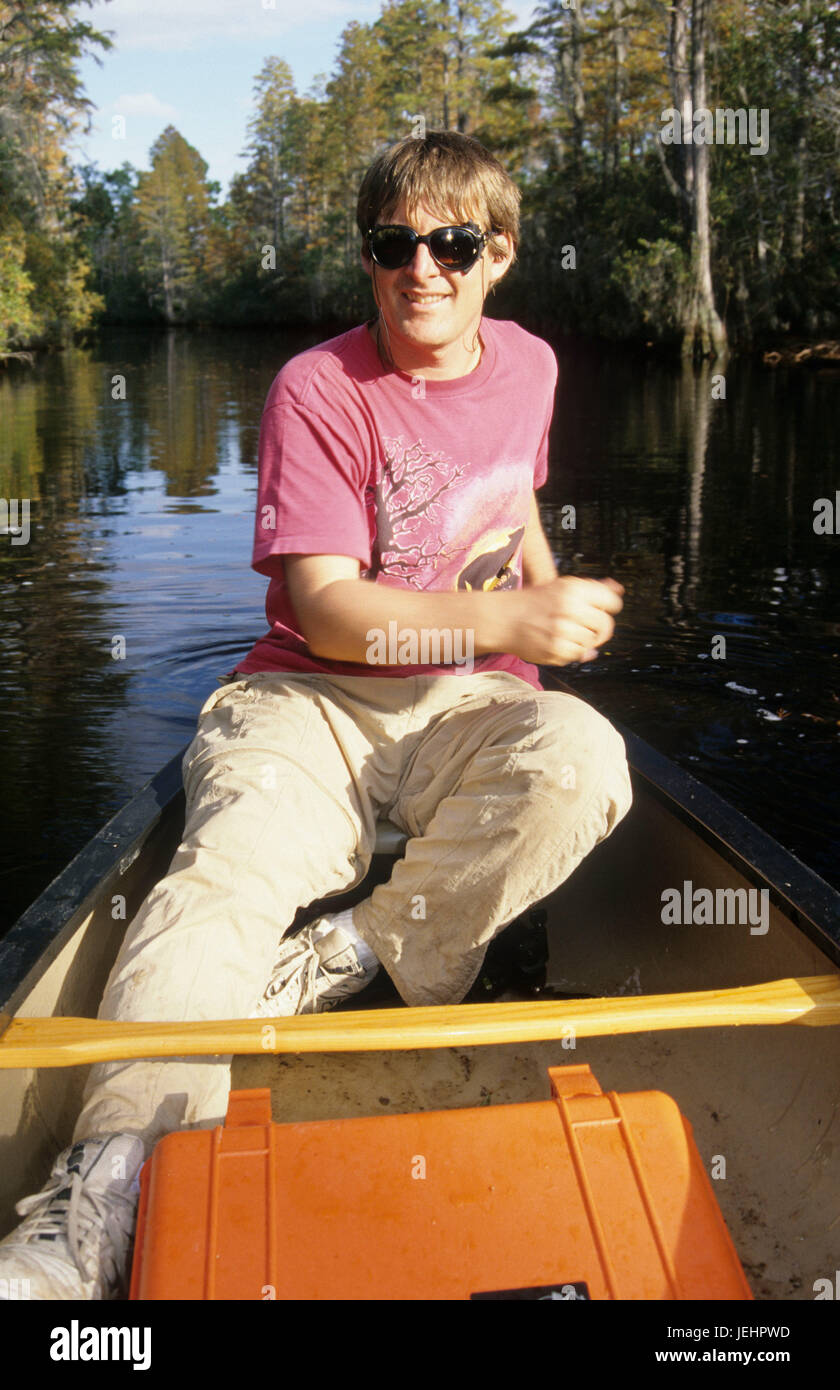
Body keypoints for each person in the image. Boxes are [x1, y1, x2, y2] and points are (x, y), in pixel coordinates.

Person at [0, 130, 632, 1300]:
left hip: (469, 701)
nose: (421, 269)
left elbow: (516, 499)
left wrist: (536, 608)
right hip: (308, 698)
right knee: (220, 879)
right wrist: (510, 624)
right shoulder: (317, 388)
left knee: (588, 760)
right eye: (394, 245)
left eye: (450, 243)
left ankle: (351, 952)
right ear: (371, 258)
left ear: (497, 253)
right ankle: (101, 1194)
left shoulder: (533, 366)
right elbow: (330, 612)